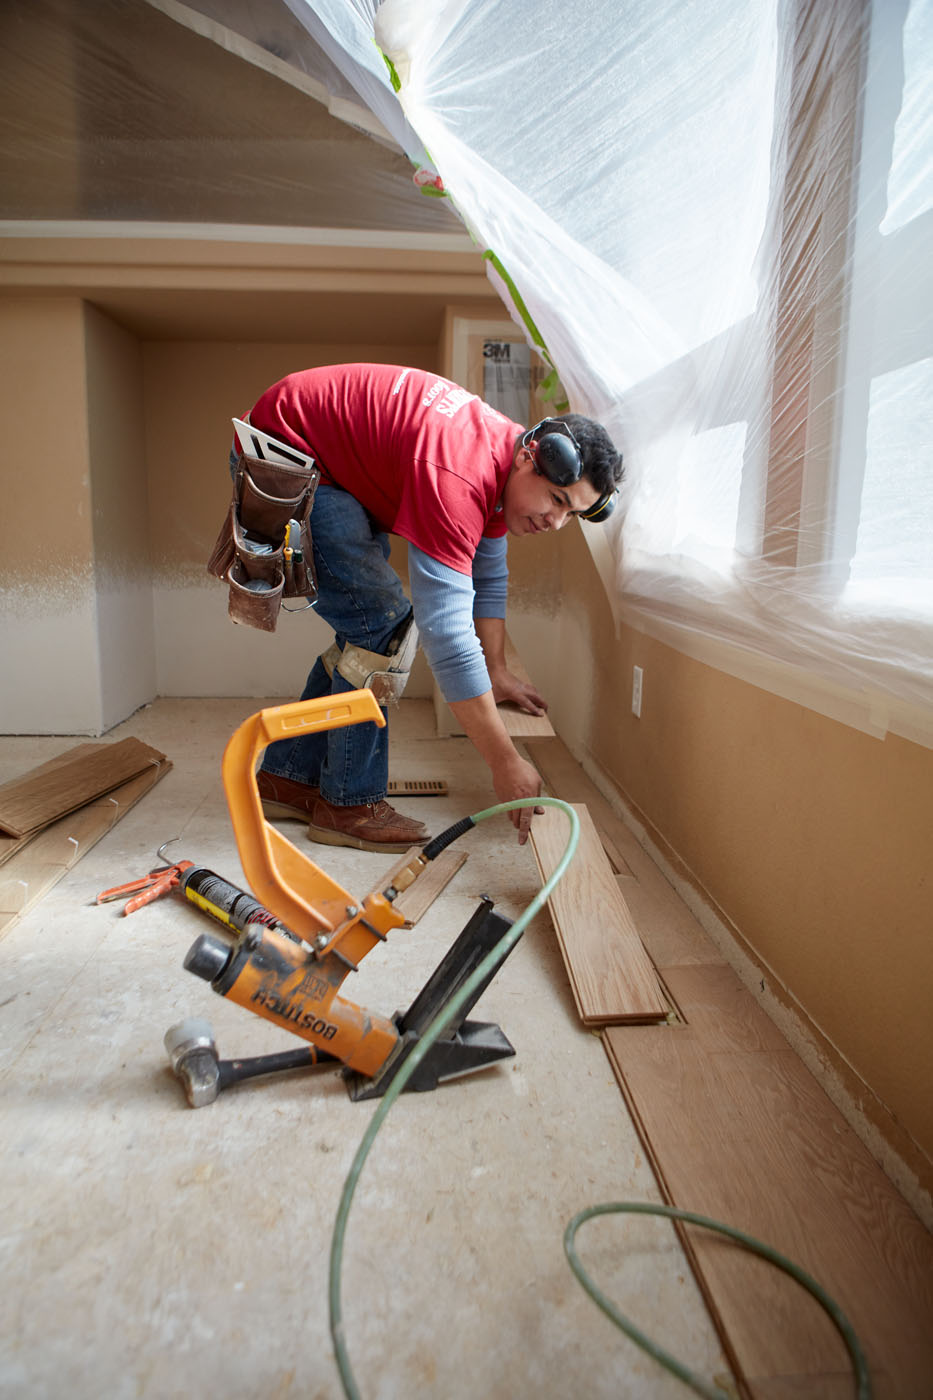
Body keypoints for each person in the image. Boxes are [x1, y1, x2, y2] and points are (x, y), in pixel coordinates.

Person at [238, 362, 623, 852]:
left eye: (572, 512)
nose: (555, 521)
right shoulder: (458, 474)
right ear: (531, 457)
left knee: (370, 627)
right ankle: (347, 806)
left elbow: (486, 575)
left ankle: (286, 778)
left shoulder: (502, 464)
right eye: (556, 499)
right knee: (382, 629)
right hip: (287, 454)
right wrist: (504, 761)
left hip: (324, 458)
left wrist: (497, 669)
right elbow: (447, 633)